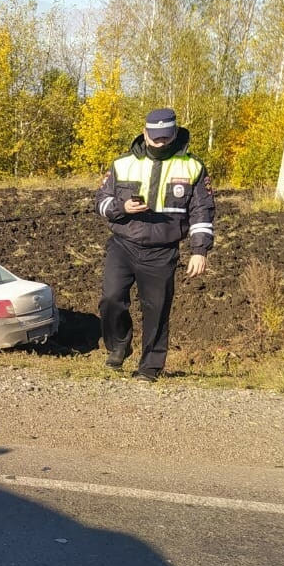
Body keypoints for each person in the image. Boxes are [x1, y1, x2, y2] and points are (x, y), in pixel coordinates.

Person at [94, 108, 215, 381]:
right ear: (145, 133)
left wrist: (200, 250)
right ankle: (119, 344)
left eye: (165, 137)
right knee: (111, 299)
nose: (160, 143)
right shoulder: (122, 164)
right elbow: (99, 203)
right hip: (123, 244)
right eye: (155, 137)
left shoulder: (192, 166)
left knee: (157, 310)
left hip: (162, 250)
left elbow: (202, 211)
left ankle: (149, 367)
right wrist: (120, 205)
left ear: (174, 134)